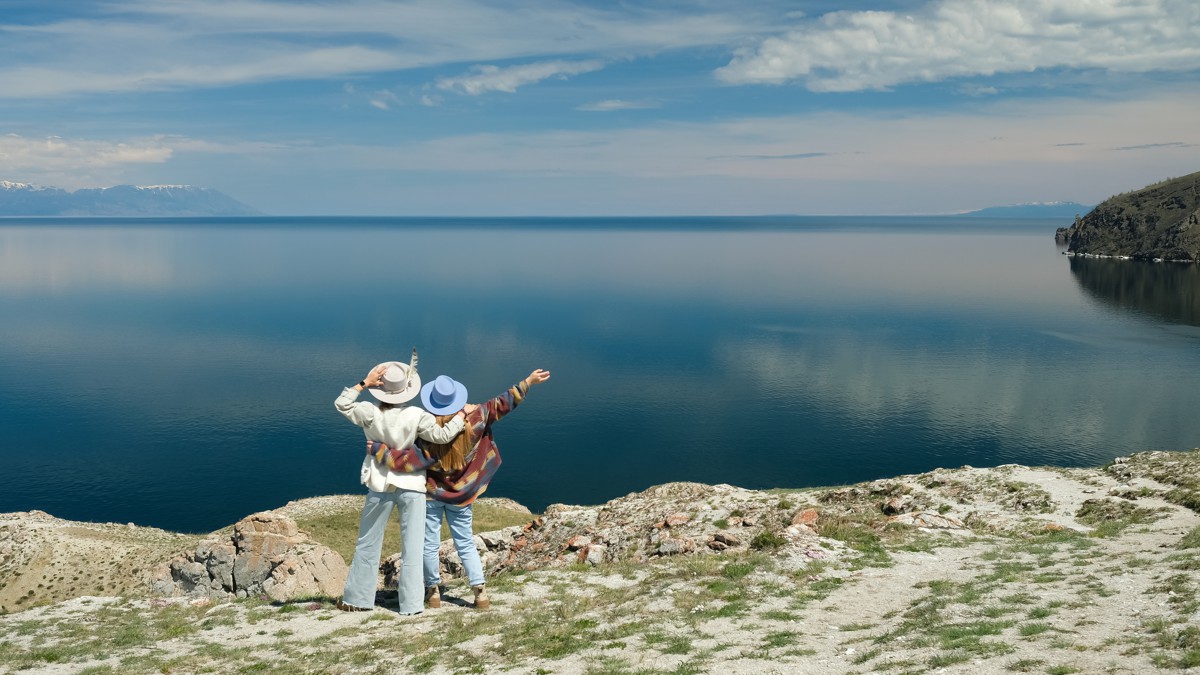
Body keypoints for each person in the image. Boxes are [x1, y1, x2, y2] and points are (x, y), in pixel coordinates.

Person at [366, 368, 550, 610]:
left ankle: (432, 593)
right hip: (463, 494)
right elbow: (503, 403)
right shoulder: (476, 417)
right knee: (464, 542)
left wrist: (379, 451)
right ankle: (480, 593)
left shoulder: (425, 430)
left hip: (432, 494)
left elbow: (408, 460)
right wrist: (528, 381)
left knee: (429, 544)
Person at [333, 349, 465, 614]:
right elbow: (441, 436)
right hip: (412, 486)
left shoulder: (369, 412)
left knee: (368, 542)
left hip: (379, 485)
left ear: (381, 390)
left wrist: (364, 383)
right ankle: (412, 605)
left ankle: (357, 600)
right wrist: (461, 418)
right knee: (413, 547)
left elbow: (342, 404)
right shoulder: (416, 415)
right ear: (408, 389)